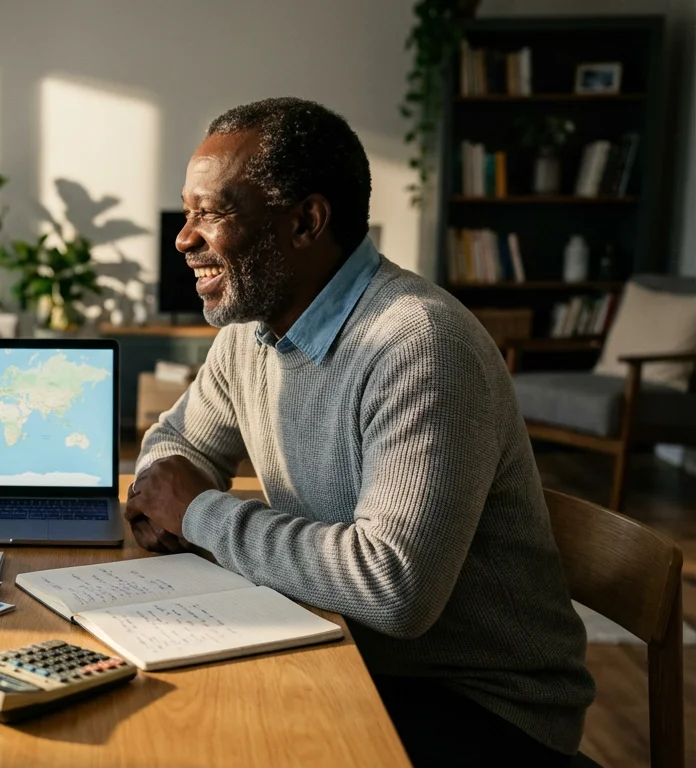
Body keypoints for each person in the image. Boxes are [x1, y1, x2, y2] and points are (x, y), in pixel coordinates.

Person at [125, 97, 594, 766]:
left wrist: (196, 512)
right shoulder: (252, 333)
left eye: (211, 211)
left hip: (479, 706)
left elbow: (393, 587)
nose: (183, 236)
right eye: (186, 209)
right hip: (343, 646)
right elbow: (181, 445)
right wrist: (170, 486)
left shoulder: (420, 346)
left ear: (306, 221)